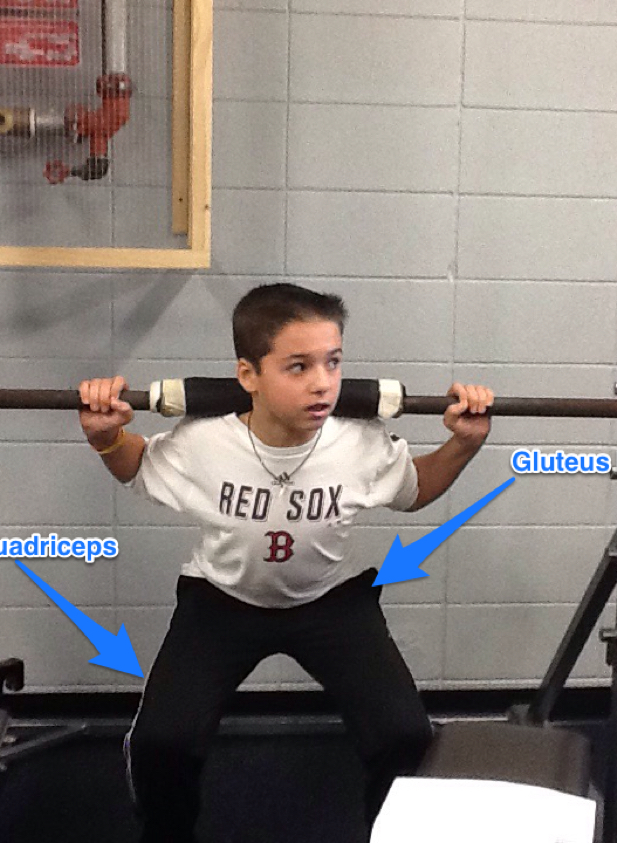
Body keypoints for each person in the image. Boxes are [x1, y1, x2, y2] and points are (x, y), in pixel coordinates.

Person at [78, 283, 494, 842]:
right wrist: (107, 438)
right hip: (221, 602)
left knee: (405, 736)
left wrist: (463, 445)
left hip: (333, 602)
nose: (322, 383)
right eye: (298, 366)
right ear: (248, 375)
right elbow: (137, 465)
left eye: (333, 362)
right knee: (163, 744)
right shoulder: (204, 441)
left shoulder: (359, 440)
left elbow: (415, 489)